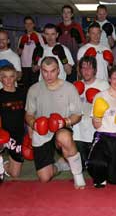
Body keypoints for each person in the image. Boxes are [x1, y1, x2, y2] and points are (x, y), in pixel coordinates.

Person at [25, 56, 85, 189]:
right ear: (41, 70)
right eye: (45, 71)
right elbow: (28, 114)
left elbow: (78, 115)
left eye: (52, 71)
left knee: (64, 136)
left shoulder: (69, 88)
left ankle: (78, 175)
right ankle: (60, 165)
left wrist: (65, 122)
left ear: (58, 70)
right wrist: (33, 123)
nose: (48, 75)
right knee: (44, 178)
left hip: (61, 127)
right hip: (41, 130)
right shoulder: (34, 89)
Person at [73, 56, 109, 168]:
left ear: (95, 70)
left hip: (96, 129)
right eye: (83, 68)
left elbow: (110, 107)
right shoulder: (76, 85)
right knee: (82, 166)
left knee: (97, 166)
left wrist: (97, 102)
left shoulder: (103, 85)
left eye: (89, 68)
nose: (86, 71)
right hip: (79, 131)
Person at [0, 64, 27, 182]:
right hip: (2, 133)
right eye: (5, 77)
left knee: (15, 174)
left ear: (16, 77)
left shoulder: (23, 93)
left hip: (17, 135)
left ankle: (5, 164)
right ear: (1, 78)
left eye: (11, 76)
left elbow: (28, 113)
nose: (8, 80)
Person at [57, 5, 86, 83]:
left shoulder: (77, 26)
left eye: (68, 12)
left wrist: (78, 40)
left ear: (72, 15)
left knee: (71, 86)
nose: (66, 14)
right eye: (64, 12)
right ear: (62, 14)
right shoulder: (58, 27)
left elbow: (83, 47)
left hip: (73, 62)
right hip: (59, 61)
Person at [17, 16, 45, 90]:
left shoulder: (38, 36)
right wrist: (22, 44)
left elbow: (42, 51)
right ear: (24, 25)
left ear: (33, 25)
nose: (28, 25)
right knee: (26, 88)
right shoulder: (22, 37)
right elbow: (19, 53)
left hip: (34, 66)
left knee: (35, 87)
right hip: (24, 66)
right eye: (26, 23)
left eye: (30, 23)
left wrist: (38, 65)